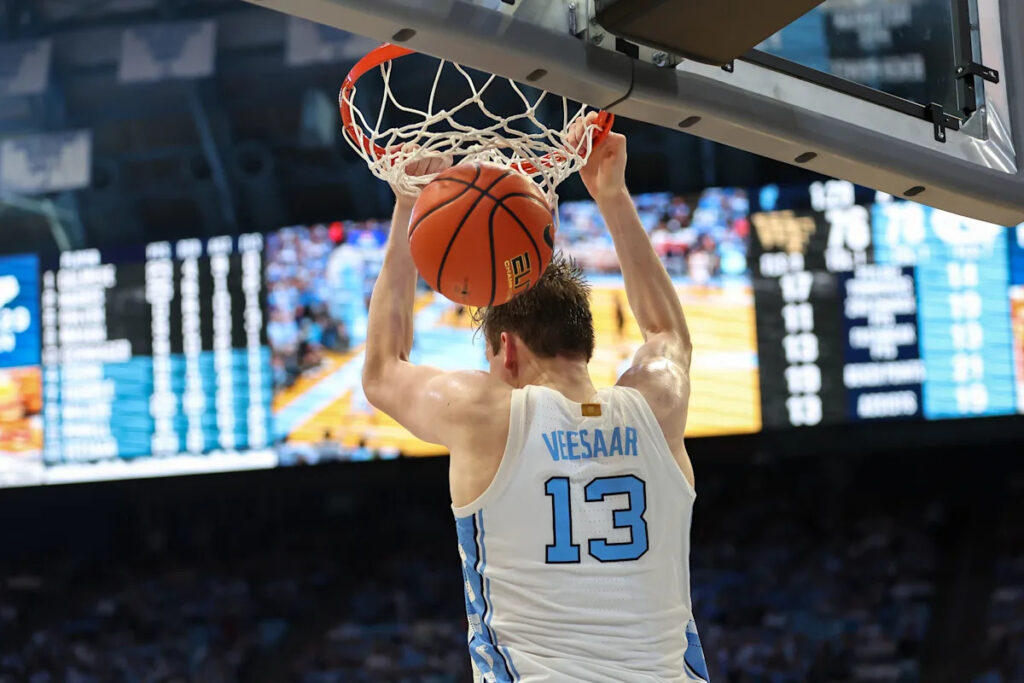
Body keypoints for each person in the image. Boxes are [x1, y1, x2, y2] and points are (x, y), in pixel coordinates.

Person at [361, 126, 709, 681]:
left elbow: (382, 370)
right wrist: (612, 196)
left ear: (507, 349)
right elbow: (668, 333)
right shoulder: (656, 406)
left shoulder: (485, 414)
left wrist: (409, 204)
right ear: (585, 340)